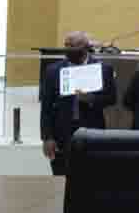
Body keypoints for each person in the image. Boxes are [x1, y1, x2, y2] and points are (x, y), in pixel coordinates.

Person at [40, 31, 117, 175]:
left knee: (92, 177)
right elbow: (46, 107)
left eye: (73, 45)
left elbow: (111, 98)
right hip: (62, 133)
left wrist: (91, 99)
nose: (69, 49)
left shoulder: (103, 69)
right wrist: (47, 137)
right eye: (66, 45)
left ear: (85, 47)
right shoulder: (53, 71)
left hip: (92, 130)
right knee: (61, 177)